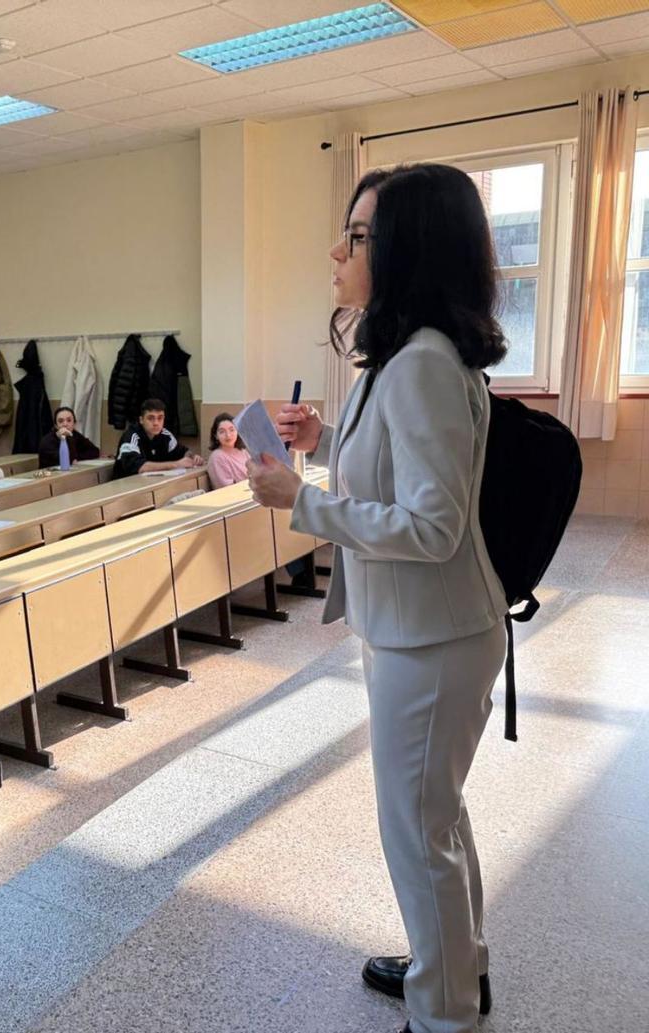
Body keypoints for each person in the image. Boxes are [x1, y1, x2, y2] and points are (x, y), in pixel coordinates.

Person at [253, 164, 509, 1033]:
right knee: (434, 817)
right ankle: (457, 967)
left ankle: (444, 1013)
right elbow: (402, 467)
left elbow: (432, 525)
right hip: (426, 632)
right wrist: (327, 440)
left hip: (432, 642)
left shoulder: (421, 362)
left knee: (416, 830)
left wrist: (302, 501)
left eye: (358, 237)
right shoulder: (402, 354)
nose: (338, 251)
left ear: (407, 248)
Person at [113, 398, 203, 478]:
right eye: (150, 418)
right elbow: (139, 467)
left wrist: (193, 457)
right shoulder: (131, 436)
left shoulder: (165, 435)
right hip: (126, 485)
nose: (156, 423)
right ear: (141, 420)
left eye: (160, 418)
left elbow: (182, 452)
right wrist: (176, 464)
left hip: (151, 482)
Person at [205, 412, 252, 489]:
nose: (228, 435)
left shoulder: (243, 452)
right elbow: (227, 488)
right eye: (222, 432)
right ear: (216, 436)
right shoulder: (217, 457)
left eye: (231, 430)